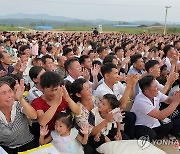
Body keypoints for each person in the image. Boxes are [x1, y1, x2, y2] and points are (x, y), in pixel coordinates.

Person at [131, 75, 180, 141]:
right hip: (140, 125)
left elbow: (168, 100)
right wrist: (176, 101)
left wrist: (176, 96)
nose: (158, 88)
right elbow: (160, 116)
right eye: (155, 87)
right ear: (147, 91)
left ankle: (154, 136)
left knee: (169, 124)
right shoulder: (141, 100)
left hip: (153, 122)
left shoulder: (156, 93)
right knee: (151, 135)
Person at [0, 80, 37, 154]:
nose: (9, 95)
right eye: (3, 93)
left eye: (10, 91)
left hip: (27, 144)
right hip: (6, 147)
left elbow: (34, 116)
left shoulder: (18, 104)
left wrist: (21, 99)